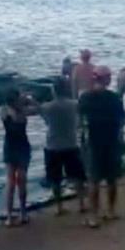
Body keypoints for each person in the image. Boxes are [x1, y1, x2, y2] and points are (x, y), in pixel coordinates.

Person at [78, 66, 125, 228]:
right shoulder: (114, 98)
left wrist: (81, 140)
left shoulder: (85, 97)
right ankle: (111, 211)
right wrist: (120, 138)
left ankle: (94, 216)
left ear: (94, 78)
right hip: (111, 141)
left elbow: (81, 121)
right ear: (106, 79)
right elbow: (121, 120)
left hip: (93, 141)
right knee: (111, 179)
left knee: (94, 180)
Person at [40, 78, 87, 216]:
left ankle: (59, 207)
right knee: (78, 176)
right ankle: (82, 204)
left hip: (53, 146)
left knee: (55, 179)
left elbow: (46, 121)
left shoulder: (47, 107)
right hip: (71, 144)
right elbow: (80, 119)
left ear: (53, 91)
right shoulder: (74, 104)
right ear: (66, 90)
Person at [0, 89, 39, 227]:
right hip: (17, 147)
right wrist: (26, 102)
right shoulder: (14, 111)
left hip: (15, 146)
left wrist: (26, 100)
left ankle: (16, 214)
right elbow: (33, 110)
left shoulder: (7, 110)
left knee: (16, 181)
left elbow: (37, 109)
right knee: (16, 181)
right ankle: (16, 214)